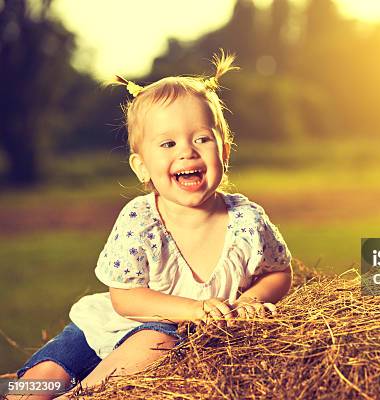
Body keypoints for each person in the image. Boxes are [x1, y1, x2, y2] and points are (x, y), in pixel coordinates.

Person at [8, 52, 292, 400]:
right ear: (141, 167)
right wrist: (192, 308)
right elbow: (125, 298)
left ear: (225, 152)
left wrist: (251, 300)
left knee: (155, 341)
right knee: (38, 382)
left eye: (201, 139)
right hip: (103, 327)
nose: (187, 152)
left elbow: (279, 272)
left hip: (159, 337)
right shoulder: (140, 220)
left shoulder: (247, 221)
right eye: (168, 143)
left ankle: (83, 394)